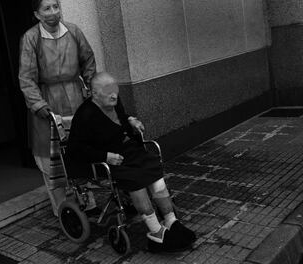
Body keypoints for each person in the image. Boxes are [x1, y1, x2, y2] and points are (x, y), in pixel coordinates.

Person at [67, 72, 196, 253]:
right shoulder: (85, 115)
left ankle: (170, 220)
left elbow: (121, 117)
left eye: (115, 90)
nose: (114, 95)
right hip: (109, 159)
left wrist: (131, 120)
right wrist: (105, 156)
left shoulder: (114, 102)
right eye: (108, 91)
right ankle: (155, 232)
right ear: (94, 93)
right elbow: (75, 149)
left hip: (127, 151)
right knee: (136, 179)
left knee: (153, 167)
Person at [18, 0, 97, 216]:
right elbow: (26, 77)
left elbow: (88, 60)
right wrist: (37, 104)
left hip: (75, 95)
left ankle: (88, 199)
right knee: (51, 157)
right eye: (47, 8)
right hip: (48, 100)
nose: (53, 12)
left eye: (56, 6)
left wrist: (91, 86)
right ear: (37, 14)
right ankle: (62, 208)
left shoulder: (73, 31)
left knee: (80, 148)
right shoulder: (30, 38)